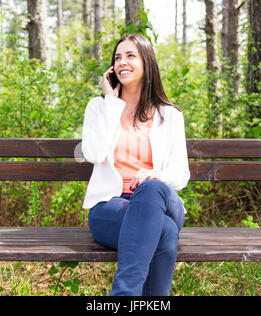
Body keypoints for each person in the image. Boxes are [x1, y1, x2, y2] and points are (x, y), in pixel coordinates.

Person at [81, 33, 190, 296]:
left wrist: (156, 175)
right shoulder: (99, 107)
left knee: (152, 189)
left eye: (130, 56)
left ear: (147, 63)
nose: (122, 62)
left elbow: (181, 174)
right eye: (118, 57)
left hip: (160, 200)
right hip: (110, 206)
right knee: (163, 231)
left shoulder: (170, 115)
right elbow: (93, 153)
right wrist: (111, 103)